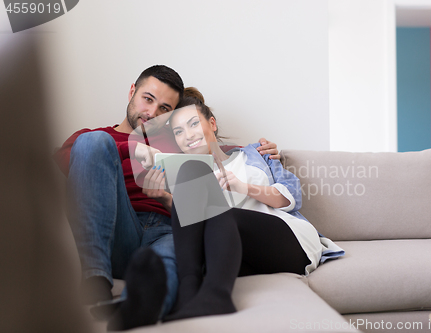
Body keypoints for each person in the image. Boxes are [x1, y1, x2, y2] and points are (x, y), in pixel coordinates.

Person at [54, 66, 282, 328]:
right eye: (147, 99)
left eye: (164, 109)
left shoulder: (176, 139)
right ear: (132, 91)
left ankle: (137, 308)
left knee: (172, 259)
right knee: (94, 142)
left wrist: (259, 152)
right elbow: (71, 162)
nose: (151, 113)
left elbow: (216, 152)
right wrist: (131, 148)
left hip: (168, 228)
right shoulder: (93, 139)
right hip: (117, 228)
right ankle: (96, 281)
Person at [110, 88, 343, 327]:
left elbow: (291, 196)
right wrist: (165, 200)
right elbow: (193, 230)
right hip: (237, 253)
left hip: (289, 242)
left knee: (219, 210)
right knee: (194, 172)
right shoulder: (184, 174)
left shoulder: (254, 154)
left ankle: (216, 295)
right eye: (179, 132)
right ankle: (188, 293)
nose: (188, 135)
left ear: (212, 124)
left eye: (193, 124)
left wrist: (243, 187)